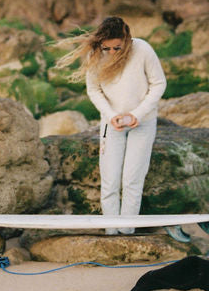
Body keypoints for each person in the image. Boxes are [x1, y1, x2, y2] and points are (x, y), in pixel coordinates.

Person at [62, 16, 166, 234]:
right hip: (112, 124)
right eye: (106, 48)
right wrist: (110, 116)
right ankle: (111, 231)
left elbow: (158, 83)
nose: (111, 52)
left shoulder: (143, 50)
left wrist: (138, 113)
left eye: (116, 48)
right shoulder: (95, 55)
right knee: (110, 180)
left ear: (126, 40)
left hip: (142, 122)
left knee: (132, 179)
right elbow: (93, 90)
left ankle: (126, 231)